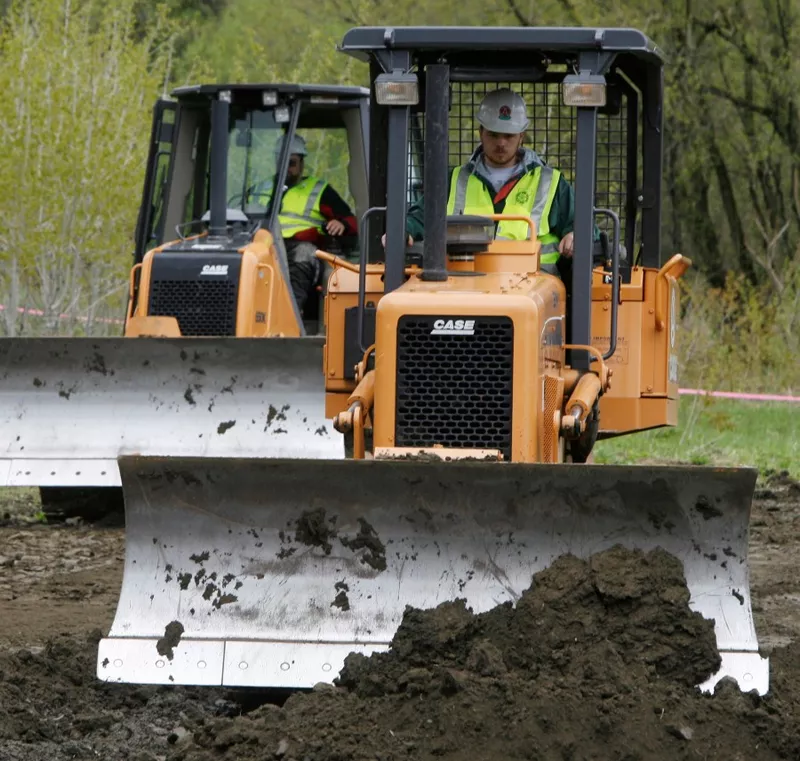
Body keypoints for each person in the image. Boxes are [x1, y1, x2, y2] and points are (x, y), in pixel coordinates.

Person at [404, 88, 597, 277]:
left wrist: (575, 236)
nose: (501, 143)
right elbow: (419, 219)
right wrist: (404, 231)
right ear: (481, 133)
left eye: (509, 136)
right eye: (494, 134)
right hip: (463, 286)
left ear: (521, 136)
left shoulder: (550, 183)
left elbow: (585, 227)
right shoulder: (453, 181)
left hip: (532, 287)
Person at [250, 134, 358, 311]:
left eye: (291, 163)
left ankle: (290, 313)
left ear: (301, 164)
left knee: (303, 253)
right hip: (265, 245)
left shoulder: (319, 190)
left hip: (299, 246)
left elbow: (351, 221)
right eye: (281, 162)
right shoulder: (259, 189)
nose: (286, 169)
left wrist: (341, 224)